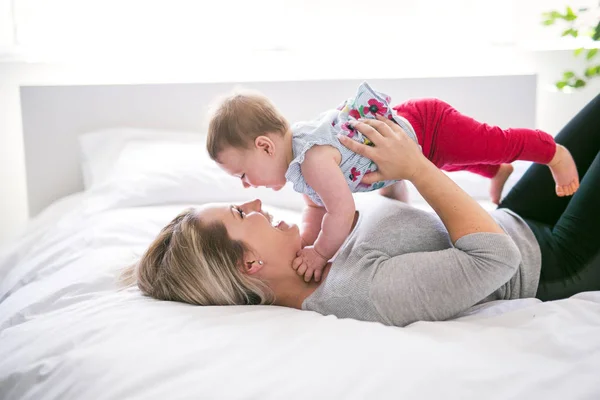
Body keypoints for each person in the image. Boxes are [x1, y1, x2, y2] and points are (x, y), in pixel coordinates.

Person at [125, 93, 600, 328]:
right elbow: (497, 261)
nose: (254, 199)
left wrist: (385, 167)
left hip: (517, 217)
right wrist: (414, 166)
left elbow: (376, 217)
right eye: (239, 211)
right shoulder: (357, 293)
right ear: (249, 265)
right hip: (555, 259)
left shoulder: (316, 251)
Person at [205, 82, 579, 282]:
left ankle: (551, 152)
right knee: (454, 161)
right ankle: (495, 172)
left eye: (242, 174)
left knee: (494, 141)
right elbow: (315, 208)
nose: (246, 185)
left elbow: (342, 210)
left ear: (265, 146)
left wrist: (320, 253)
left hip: (428, 126)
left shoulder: (314, 158)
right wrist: (305, 241)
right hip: (414, 152)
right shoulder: (299, 173)